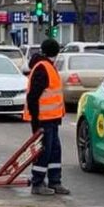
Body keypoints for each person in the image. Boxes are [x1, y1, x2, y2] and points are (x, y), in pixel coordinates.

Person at [23, 38, 69, 196]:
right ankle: (37, 183)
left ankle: (55, 181)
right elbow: (33, 97)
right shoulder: (43, 68)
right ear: (55, 52)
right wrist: (36, 123)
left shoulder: (48, 66)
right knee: (43, 151)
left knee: (54, 150)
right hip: (43, 120)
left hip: (52, 120)